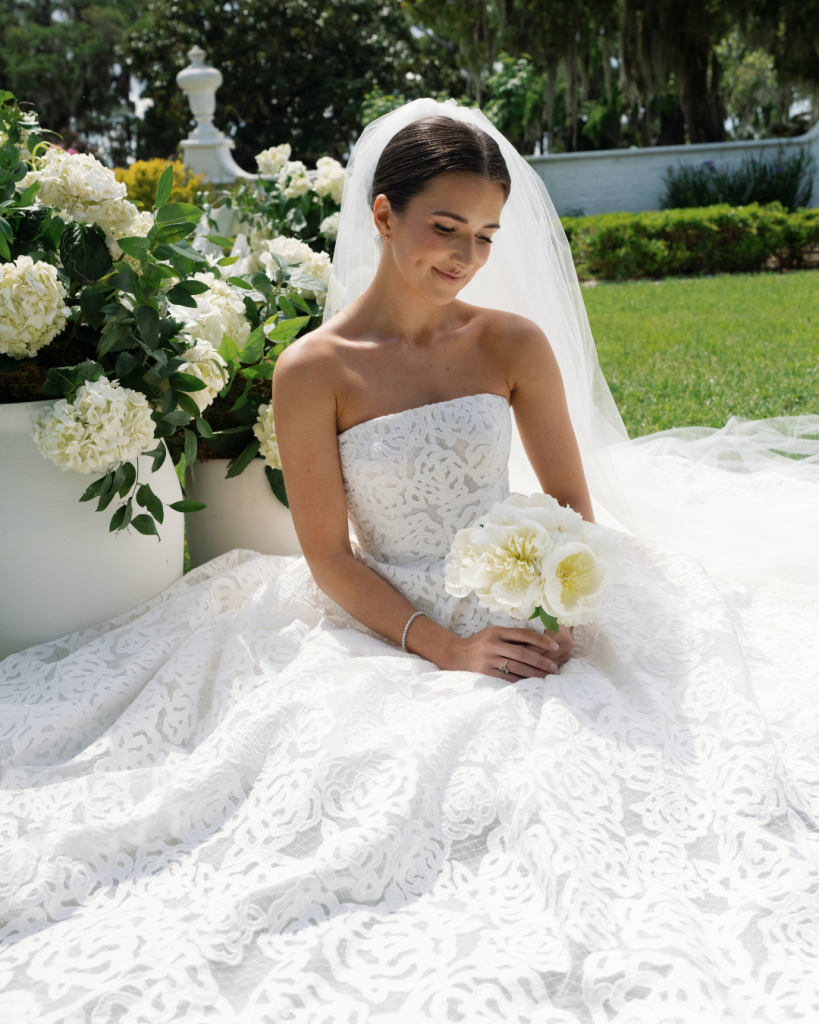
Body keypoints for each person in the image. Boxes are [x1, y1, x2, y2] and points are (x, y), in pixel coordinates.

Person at [0, 100, 817, 1022]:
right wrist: (444, 646)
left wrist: (551, 595)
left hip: (523, 580)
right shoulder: (314, 369)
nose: (464, 256)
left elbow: (569, 509)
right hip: (388, 608)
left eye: (484, 235)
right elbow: (326, 556)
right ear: (383, 216)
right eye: (444, 228)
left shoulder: (510, 342)